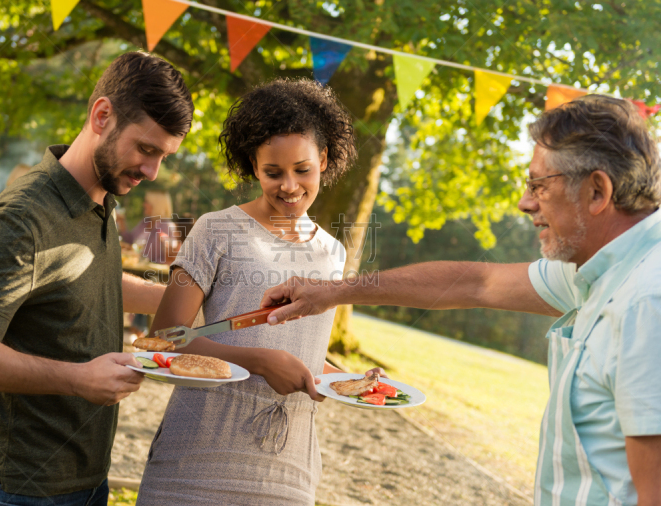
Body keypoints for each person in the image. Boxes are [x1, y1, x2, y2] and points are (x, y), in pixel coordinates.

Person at [261, 95, 661, 506]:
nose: (525, 204)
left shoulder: (646, 302)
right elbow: (477, 282)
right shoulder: (598, 270)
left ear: (597, 191)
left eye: (539, 186)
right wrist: (331, 292)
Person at [0, 52, 193, 505]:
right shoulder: (23, 217)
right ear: (102, 115)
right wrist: (78, 378)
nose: (152, 172)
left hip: (85, 481)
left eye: (163, 156)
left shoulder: (101, 199)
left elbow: (85, 281)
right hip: (22, 489)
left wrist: (194, 301)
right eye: (146, 149)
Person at [136, 78, 378, 506]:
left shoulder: (333, 251)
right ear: (252, 165)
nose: (289, 186)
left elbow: (299, 349)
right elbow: (166, 339)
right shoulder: (216, 230)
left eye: (303, 170)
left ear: (323, 159)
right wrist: (262, 362)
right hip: (195, 460)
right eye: (273, 172)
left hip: (288, 468)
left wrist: (351, 381)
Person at [119, 190, 175, 264]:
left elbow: (169, 256)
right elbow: (130, 241)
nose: (143, 204)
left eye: (146, 202)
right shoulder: (145, 222)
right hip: (135, 264)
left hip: (150, 271)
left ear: (156, 205)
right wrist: (121, 223)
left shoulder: (167, 226)